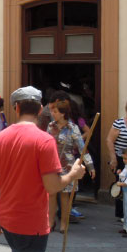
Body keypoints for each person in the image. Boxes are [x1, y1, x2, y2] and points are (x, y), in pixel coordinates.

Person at [0, 86, 86, 252]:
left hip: (8, 219)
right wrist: (73, 174)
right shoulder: (44, 140)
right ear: (41, 109)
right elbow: (52, 186)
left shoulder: (1, 137)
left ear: (16, 108)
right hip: (31, 223)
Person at [47, 99, 95, 233]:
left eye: (55, 111)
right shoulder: (50, 126)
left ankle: (64, 223)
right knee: (51, 194)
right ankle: (50, 222)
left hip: (67, 166)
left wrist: (90, 166)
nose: (52, 113)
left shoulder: (72, 128)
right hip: (51, 164)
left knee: (64, 195)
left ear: (62, 113)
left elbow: (82, 148)